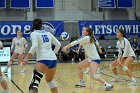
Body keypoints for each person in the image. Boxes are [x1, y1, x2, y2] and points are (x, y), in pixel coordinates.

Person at [62, 26, 113, 91]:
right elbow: (79, 42)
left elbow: (75, 42)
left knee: (93, 75)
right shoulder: (85, 38)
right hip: (90, 58)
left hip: (95, 59)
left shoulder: (86, 38)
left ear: (87, 32)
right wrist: (78, 49)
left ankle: (106, 84)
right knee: (79, 67)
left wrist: (66, 47)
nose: (82, 31)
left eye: (83, 30)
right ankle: (81, 82)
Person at [23, 18, 61, 93]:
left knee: (34, 84)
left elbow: (34, 46)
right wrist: (54, 53)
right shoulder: (48, 33)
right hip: (53, 60)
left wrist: (27, 58)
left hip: (43, 60)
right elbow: (58, 44)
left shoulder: (34, 34)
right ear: (42, 25)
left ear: (33, 25)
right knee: (50, 81)